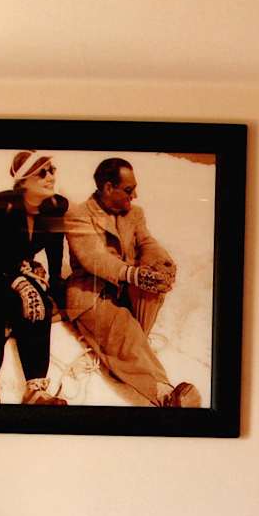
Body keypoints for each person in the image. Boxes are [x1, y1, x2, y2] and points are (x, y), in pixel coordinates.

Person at [62, 157, 200, 408]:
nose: (134, 195)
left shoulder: (135, 214)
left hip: (126, 291)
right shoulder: (79, 215)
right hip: (93, 294)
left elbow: (146, 243)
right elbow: (94, 258)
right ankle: (164, 394)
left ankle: (123, 357)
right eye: (128, 189)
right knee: (124, 328)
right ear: (108, 188)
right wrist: (133, 275)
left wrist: (162, 265)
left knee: (152, 291)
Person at [0, 151, 68, 405]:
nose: (51, 176)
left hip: (17, 267)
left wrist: (53, 284)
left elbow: (55, 248)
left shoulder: (55, 207)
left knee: (40, 304)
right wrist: (19, 282)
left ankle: (35, 389)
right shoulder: (0, 205)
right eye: (42, 172)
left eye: (52, 169)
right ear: (24, 181)